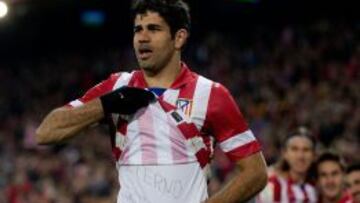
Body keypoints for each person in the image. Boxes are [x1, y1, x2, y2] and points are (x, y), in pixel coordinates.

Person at [35, 0, 268, 202]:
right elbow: (46, 132)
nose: (142, 38)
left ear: (179, 38)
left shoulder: (210, 94)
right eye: (138, 29)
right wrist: (106, 104)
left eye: (153, 29)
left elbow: (255, 172)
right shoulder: (117, 86)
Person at [256, 126, 318, 203]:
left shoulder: (318, 188)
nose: (300, 156)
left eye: (306, 150)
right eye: (294, 149)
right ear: (284, 153)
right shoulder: (272, 186)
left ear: (314, 156)